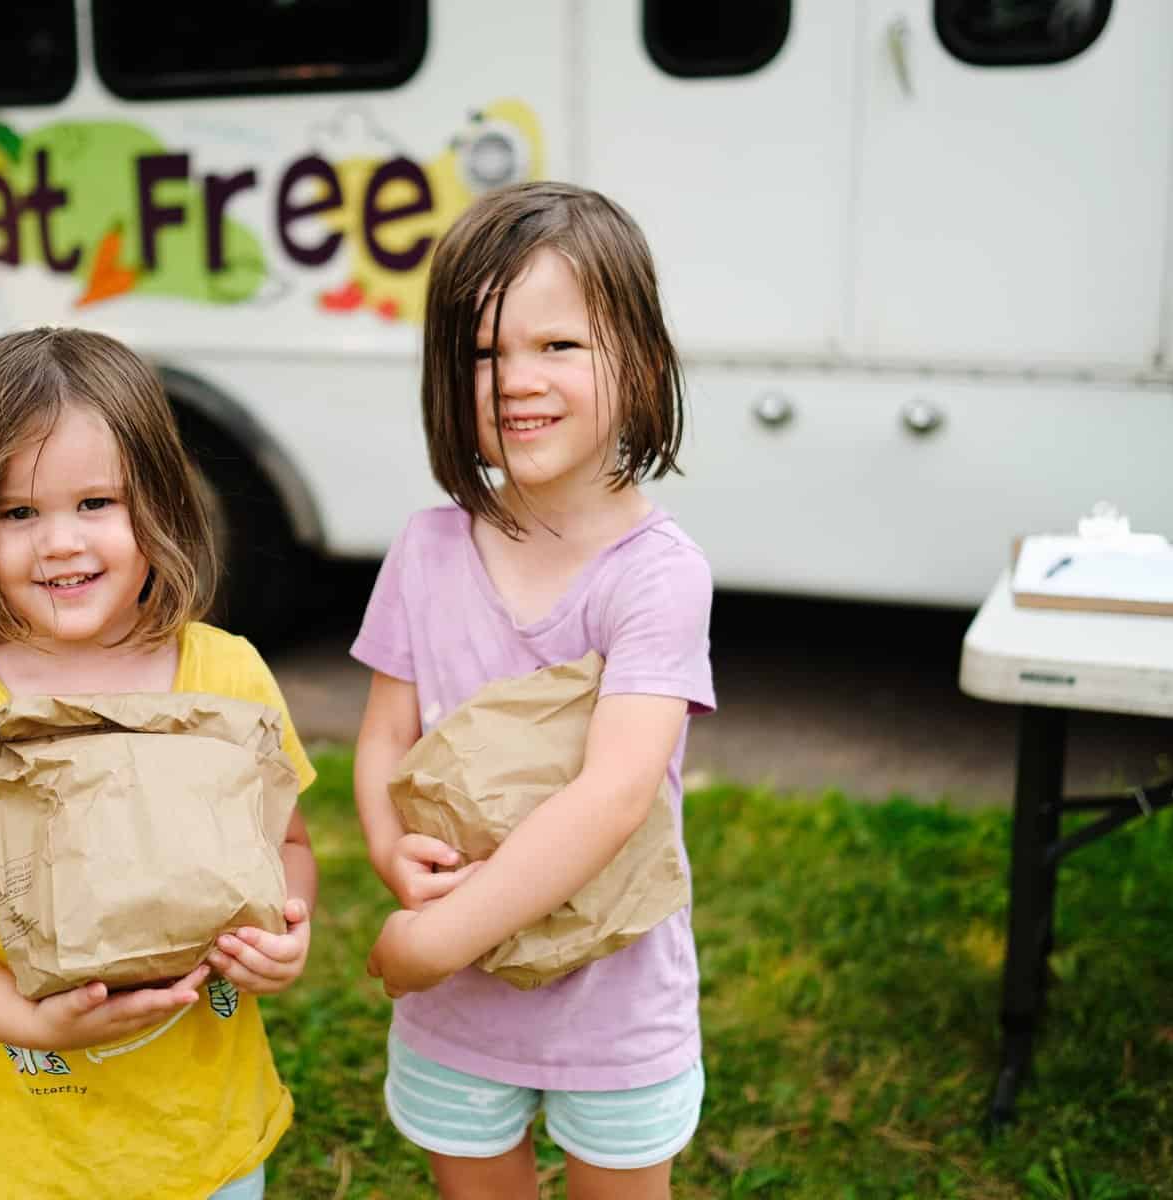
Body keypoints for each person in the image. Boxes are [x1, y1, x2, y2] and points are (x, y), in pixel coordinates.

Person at [0, 327, 317, 1200]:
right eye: (18, 513)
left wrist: (288, 933)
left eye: (96, 503)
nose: (60, 542)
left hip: (207, 1147)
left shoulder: (227, 676)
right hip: (34, 1167)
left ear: (161, 506)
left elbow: (285, 846)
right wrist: (30, 1019)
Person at [352, 181, 715, 1200]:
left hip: (614, 1006)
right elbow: (383, 740)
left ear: (637, 361)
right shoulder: (426, 552)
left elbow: (615, 796)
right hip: (458, 1015)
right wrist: (392, 856)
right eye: (482, 353)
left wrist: (433, 940)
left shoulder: (657, 574)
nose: (517, 381)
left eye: (557, 346)